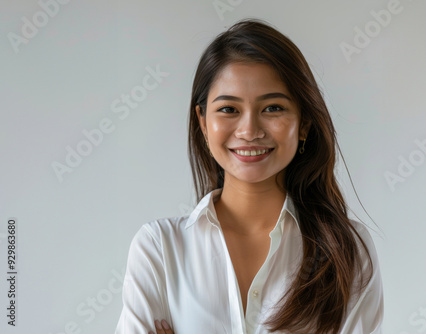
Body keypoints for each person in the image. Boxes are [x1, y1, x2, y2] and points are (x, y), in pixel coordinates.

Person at [115, 18, 384, 334]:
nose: (249, 131)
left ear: (305, 123)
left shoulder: (345, 251)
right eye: (229, 109)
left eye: (272, 108)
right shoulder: (159, 248)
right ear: (202, 122)